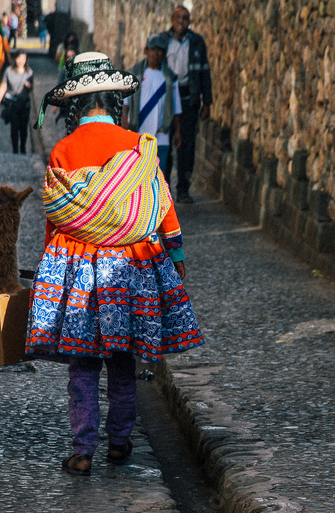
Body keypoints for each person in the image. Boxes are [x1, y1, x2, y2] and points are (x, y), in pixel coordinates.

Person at [30, 52, 203, 475]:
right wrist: (176, 255)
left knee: (83, 364)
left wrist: (47, 269)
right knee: (123, 363)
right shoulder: (138, 148)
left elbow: (57, 220)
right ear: (115, 103)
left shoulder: (62, 151)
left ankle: (83, 449)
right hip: (134, 268)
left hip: (79, 271)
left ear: (74, 107)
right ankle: (120, 443)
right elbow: (163, 206)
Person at [161, 4, 212, 203]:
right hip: (167, 99)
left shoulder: (197, 42)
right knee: (165, 141)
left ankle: (183, 188)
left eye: (185, 17)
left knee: (187, 145)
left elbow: (205, 74)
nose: (181, 21)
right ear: (172, 19)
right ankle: (163, 187)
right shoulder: (163, 42)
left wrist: (207, 101)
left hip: (189, 98)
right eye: (178, 17)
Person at [123, 34, 181, 176]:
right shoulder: (134, 74)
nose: (156, 54)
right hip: (137, 134)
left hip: (161, 135)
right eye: (153, 49)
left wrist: (178, 131)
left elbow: (177, 107)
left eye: (160, 50)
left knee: (158, 176)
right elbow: (125, 103)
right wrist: (124, 122)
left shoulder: (170, 78)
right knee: (137, 175)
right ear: (146, 50)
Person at [0, 50, 34, 154]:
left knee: (24, 128)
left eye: (23, 59)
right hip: (13, 104)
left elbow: (31, 89)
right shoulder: (9, 71)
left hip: (25, 104)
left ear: (26, 60)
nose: (21, 61)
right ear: (15, 59)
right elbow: (3, 86)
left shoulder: (29, 72)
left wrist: (29, 87)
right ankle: (15, 149)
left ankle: (23, 148)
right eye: (19, 58)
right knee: (14, 127)